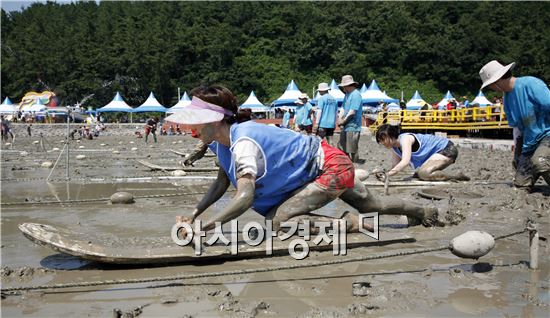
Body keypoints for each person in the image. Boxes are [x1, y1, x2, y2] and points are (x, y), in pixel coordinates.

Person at [165, 85, 441, 237]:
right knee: (373, 204)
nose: (193, 129)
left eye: (196, 122)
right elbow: (221, 182)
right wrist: (195, 213)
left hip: (330, 168)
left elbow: (245, 196)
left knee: (278, 221)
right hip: (324, 165)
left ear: (214, 120)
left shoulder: (243, 142)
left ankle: (349, 224)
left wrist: (209, 226)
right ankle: (422, 213)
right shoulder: (220, 144)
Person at [479, 60, 550, 190]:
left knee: (541, 162)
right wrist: (518, 154)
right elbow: (518, 129)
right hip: (531, 141)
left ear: (497, 81)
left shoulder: (531, 84)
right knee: (520, 184)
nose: (491, 88)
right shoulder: (507, 98)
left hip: (547, 134)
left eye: (490, 85)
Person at [375, 124, 470, 181]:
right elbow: (395, 166)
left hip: (446, 149)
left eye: (384, 139)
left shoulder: (405, 139)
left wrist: (387, 174)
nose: (382, 142)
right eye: (380, 140)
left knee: (423, 173)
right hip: (436, 154)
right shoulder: (394, 147)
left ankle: (456, 176)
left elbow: (405, 162)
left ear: (391, 135)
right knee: (418, 174)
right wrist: (385, 174)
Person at [337, 75, 363, 162]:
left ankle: (355, 162)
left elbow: (352, 111)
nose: (342, 88)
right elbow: (343, 108)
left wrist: (343, 121)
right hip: (346, 124)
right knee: (342, 145)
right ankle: (347, 162)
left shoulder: (356, 94)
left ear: (347, 85)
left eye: (343, 86)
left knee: (352, 148)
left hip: (353, 124)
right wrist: (340, 118)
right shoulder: (347, 94)